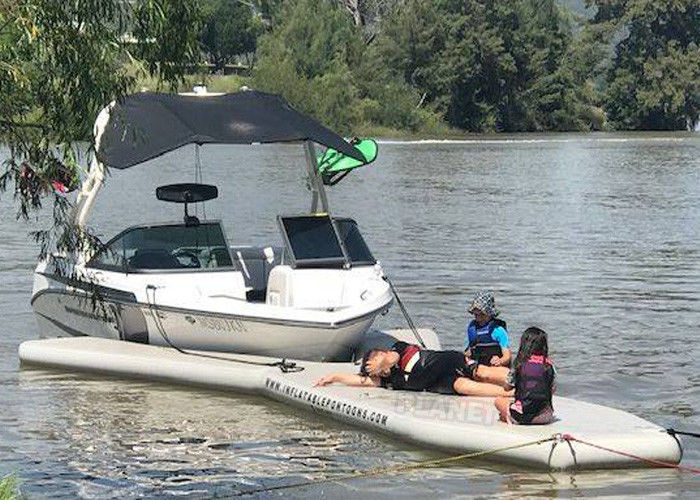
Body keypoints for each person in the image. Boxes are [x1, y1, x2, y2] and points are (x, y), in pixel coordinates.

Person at [314, 341, 513, 397]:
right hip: (437, 383)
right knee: (465, 387)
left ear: (382, 354)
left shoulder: (397, 349)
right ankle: (510, 393)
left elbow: (390, 359)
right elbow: (360, 381)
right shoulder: (388, 380)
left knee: (482, 373)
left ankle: (520, 377)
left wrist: (379, 365)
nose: (378, 372)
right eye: (375, 373)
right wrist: (334, 377)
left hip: (446, 361)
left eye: (375, 364)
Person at [494, 327, 555, 425]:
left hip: (521, 415)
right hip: (544, 416)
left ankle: (507, 416)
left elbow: (507, 387)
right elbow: (552, 388)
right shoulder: (548, 365)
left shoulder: (519, 363)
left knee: (499, 401)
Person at [464, 291, 511, 366]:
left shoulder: (498, 330)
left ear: (490, 314)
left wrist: (500, 361)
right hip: (478, 365)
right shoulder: (472, 329)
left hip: (495, 366)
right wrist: (467, 356)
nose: (479, 318)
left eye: (482, 315)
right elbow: (468, 351)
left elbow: (507, 356)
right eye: (476, 315)